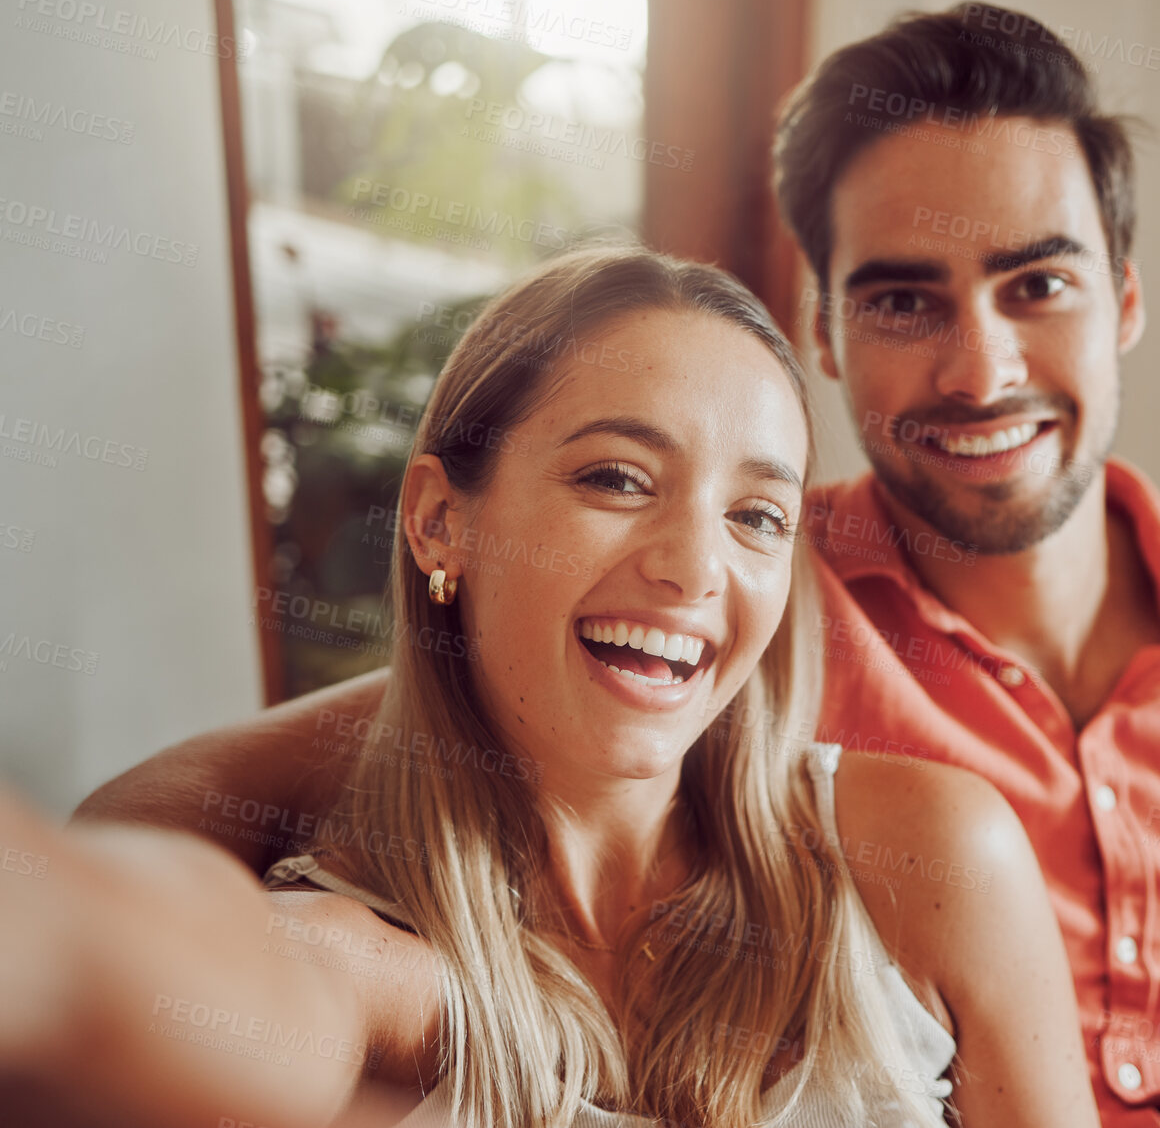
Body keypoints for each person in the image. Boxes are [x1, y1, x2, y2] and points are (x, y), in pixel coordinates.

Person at [76, 2, 1160, 1128]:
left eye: (1037, 281)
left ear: (1122, 298)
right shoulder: (729, 614)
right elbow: (414, 729)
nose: (979, 362)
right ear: (826, 331)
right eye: (900, 296)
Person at [0, 246, 1096, 1128]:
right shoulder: (379, 964)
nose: (694, 566)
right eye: (616, 478)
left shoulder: (931, 859)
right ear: (440, 518)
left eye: (755, 515)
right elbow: (202, 972)